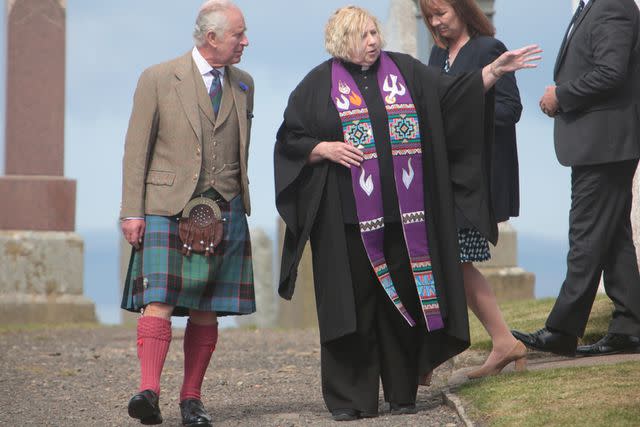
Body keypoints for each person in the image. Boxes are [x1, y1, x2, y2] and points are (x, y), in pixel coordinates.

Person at [274, 5, 539, 420]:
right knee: (355, 308)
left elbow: (454, 95)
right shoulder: (316, 85)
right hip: (347, 222)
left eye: (375, 33)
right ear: (342, 40)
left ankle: (401, 393)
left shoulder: (406, 71)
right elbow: (290, 137)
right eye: (364, 36)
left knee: (404, 307)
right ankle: (352, 398)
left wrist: (493, 73)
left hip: (405, 216)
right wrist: (321, 148)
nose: (374, 41)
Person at [119, 1, 255, 425]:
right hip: (166, 206)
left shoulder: (245, 84)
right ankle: (148, 391)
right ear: (211, 37)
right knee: (157, 299)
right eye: (238, 34)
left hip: (223, 207)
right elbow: (135, 150)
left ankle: (191, 399)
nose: (245, 41)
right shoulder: (158, 78)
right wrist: (131, 212)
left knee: (206, 306)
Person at [512, 0, 640, 357]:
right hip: (601, 143)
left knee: (585, 232)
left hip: (606, 142)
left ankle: (562, 330)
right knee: (613, 236)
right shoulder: (594, 6)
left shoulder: (613, 5)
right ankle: (631, 326)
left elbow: (611, 72)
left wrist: (560, 96)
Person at [420, 0, 526, 379]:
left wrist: (459, 116)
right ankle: (497, 342)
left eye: (441, 14)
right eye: (429, 16)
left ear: (462, 9)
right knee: (448, 261)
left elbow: (510, 109)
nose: (435, 22)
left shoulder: (486, 49)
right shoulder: (437, 53)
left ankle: (490, 343)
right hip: (447, 178)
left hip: (475, 178)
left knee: (454, 260)